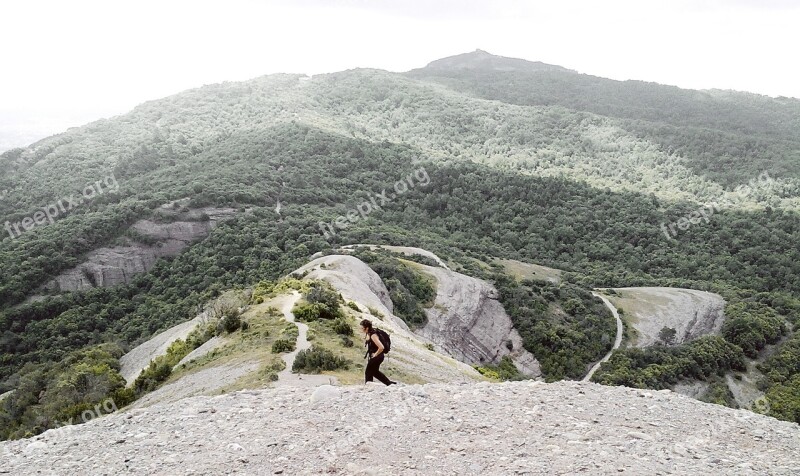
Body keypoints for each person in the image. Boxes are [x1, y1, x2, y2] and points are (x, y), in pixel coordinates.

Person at [361, 319, 396, 385]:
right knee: (375, 372)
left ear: (367, 328)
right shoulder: (370, 333)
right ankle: (389, 383)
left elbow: (381, 347)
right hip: (379, 356)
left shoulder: (373, 335)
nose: (361, 329)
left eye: (362, 328)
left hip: (377, 356)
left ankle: (369, 386)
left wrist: (375, 354)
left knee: (368, 372)